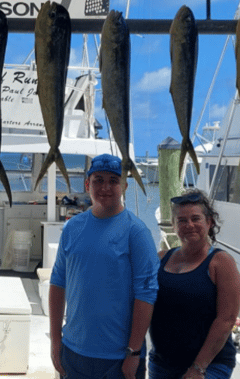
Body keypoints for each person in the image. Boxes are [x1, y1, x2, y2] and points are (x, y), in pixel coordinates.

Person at [49, 153, 159, 379]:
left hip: (118, 357)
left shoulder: (136, 232)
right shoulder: (72, 228)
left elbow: (146, 295)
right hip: (73, 350)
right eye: (98, 179)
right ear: (87, 184)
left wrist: (134, 352)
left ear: (124, 186)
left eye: (113, 180)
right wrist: (55, 340)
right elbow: (58, 282)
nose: (105, 187)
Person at [149, 188, 240, 379]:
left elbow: (226, 320)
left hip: (208, 366)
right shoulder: (160, 258)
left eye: (195, 218)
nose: (189, 225)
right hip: (162, 364)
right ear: (174, 227)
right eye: (181, 221)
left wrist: (198, 368)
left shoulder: (221, 262)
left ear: (209, 222)